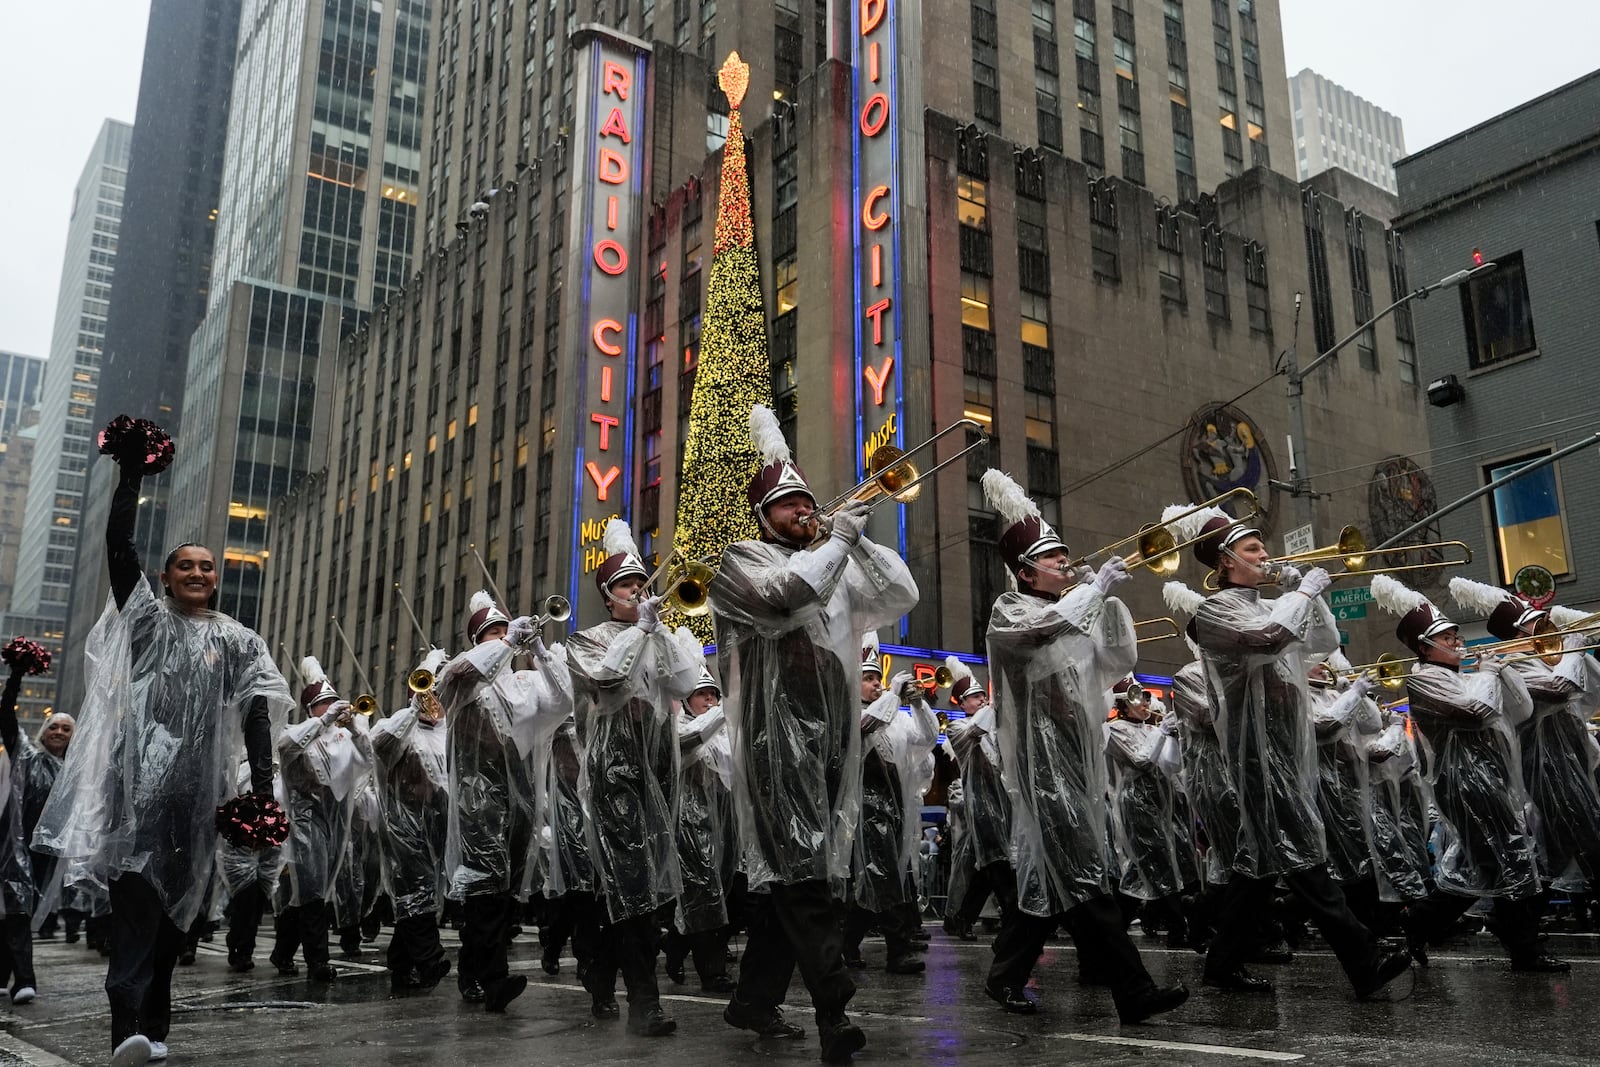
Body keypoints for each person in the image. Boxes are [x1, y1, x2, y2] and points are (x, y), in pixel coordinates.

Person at [33, 420, 293, 1067]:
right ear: (168, 577)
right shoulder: (147, 622)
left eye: (208, 565)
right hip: (138, 803)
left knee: (176, 928)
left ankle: (152, 1028)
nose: (199, 572)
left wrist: (260, 792)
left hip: (196, 808)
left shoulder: (236, 639)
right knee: (135, 923)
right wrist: (130, 475)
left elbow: (258, 710)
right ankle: (127, 1032)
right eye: (186, 565)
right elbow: (119, 547)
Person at [710, 404, 919, 1062]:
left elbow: (902, 592)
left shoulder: (831, 556)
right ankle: (835, 1011)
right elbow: (782, 598)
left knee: (793, 880)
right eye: (788, 504)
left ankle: (752, 1000)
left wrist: (854, 536)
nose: (802, 510)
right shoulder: (738, 561)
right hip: (773, 747)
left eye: (806, 500)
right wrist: (833, 543)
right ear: (762, 515)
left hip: (830, 740)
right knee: (807, 877)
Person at [1175, 505, 1410, 999]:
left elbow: (1322, 640)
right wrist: (1301, 593)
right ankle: (1363, 962)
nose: (1266, 556)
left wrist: (1310, 595)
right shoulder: (1214, 611)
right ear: (1225, 561)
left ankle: (1222, 963)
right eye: (1253, 550)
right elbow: (1268, 640)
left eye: (1263, 547)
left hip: (1285, 743)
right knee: (1304, 856)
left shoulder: (1267, 603)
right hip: (1255, 752)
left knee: (1257, 868)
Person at [978, 468, 1187, 1022]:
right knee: (1087, 874)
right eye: (1054, 558)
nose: (1064, 564)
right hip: (1040, 765)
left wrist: (1108, 600)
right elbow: (1040, 633)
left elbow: (1118, 662)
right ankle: (1133, 990)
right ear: (1025, 570)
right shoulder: (1010, 610)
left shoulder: (1072, 611)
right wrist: (1091, 592)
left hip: (1076, 760)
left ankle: (1004, 977)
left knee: (1055, 877)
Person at [1374, 575, 1566, 971]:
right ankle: (1524, 950)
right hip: (1464, 782)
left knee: (1489, 865)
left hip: (1488, 777)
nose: (1458, 643)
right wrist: (1489, 675)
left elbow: (1520, 711)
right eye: (1448, 639)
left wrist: (1507, 670)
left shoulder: (1460, 676)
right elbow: (1476, 713)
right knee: (1510, 857)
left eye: (1456, 637)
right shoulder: (1422, 679)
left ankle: (1422, 922)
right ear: (1425, 647)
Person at [566, 520, 701, 1036]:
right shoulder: (586, 639)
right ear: (608, 595)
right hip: (612, 772)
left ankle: (600, 974)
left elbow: (689, 685)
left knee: (638, 886)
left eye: (642, 584)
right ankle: (644, 1000)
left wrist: (662, 631)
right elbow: (607, 683)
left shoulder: (654, 634)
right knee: (631, 885)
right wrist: (641, 631)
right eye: (628, 586)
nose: (639, 592)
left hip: (658, 771)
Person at [436, 589, 572, 1012]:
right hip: (479, 796)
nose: (500, 637)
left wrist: (541, 651)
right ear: (477, 639)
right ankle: (492, 978)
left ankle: (473, 969)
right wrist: (508, 641)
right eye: (491, 632)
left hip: (519, 795)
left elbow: (565, 700)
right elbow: (458, 677)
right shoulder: (459, 674)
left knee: (504, 889)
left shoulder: (523, 682)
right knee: (484, 884)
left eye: (504, 629)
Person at [1450, 577, 1600, 895]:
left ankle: (1513, 917)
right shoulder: (1513, 667)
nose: (1549, 629)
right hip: (1547, 770)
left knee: (1558, 854)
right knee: (1587, 841)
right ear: (1517, 636)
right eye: (1539, 626)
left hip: (1573, 764)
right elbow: (1560, 692)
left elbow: (1592, 693)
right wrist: (1572, 653)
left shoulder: (1548, 661)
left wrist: (1581, 652)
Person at [270, 658, 372, 982]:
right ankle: (318, 962)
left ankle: (282, 950)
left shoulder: (341, 739)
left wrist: (354, 727)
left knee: (311, 893)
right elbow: (284, 747)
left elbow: (369, 761)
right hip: (303, 819)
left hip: (334, 821)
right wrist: (324, 719)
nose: (330, 708)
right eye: (323, 704)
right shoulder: (297, 733)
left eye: (332, 702)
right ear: (312, 708)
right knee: (313, 891)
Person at [842, 633, 937, 974]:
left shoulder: (895, 715)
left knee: (879, 879)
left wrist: (918, 703)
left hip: (893, 805)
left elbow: (926, 738)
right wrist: (893, 695)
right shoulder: (849, 712)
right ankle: (897, 950)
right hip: (865, 806)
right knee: (885, 878)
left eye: (876, 679)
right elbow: (866, 728)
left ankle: (846, 943)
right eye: (867, 679)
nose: (874, 685)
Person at [371, 648, 453, 994]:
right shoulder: (396, 725)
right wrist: (413, 706)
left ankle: (400, 966)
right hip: (403, 825)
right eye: (428, 690)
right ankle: (430, 959)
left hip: (437, 823)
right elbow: (381, 744)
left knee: (422, 896)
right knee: (416, 892)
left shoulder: (447, 732)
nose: (434, 700)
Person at [663, 641, 739, 994]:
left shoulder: (725, 732)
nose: (709, 700)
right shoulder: (678, 724)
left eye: (714, 694)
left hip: (724, 823)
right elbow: (688, 742)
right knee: (704, 893)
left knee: (720, 892)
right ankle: (713, 971)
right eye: (702, 694)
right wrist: (727, 708)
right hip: (689, 825)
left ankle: (676, 946)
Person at [0, 641, 62, 1006]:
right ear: (44, 731)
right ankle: (24, 979)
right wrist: (17, 675)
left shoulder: (75, 773)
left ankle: (6, 975)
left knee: (16, 911)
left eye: (67, 729)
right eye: (54, 726)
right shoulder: (26, 755)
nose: (59, 733)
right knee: (17, 909)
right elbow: (6, 715)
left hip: (46, 853)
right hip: (13, 845)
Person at [1306, 656, 1385, 927]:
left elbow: (1372, 725)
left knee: (1358, 854)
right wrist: (1353, 694)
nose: (1324, 667)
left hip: (1349, 785)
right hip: (1321, 787)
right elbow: (1325, 727)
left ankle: (1363, 924)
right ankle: (1362, 925)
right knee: (1341, 857)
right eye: (1315, 662)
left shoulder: (1331, 693)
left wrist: (1354, 694)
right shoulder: (1299, 694)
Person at [941, 656, 1006, 944]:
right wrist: (993, 705)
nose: (980, 700)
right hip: (976, 805)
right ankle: (957, 915)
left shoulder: (993, 725)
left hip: (1001, 802)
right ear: (960, 703)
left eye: (982, 695)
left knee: (989, 867)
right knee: (985, 864)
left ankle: (963, 916)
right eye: (973, 697)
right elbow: (975, 732)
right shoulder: (956, 728)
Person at [216, 758, 288, 972]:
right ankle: (239, 947)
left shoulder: (281, 776)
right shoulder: (243, 772)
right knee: (245, 899)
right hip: (241, 845)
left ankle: (244, 946)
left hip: (270, 847)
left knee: (257, 902)